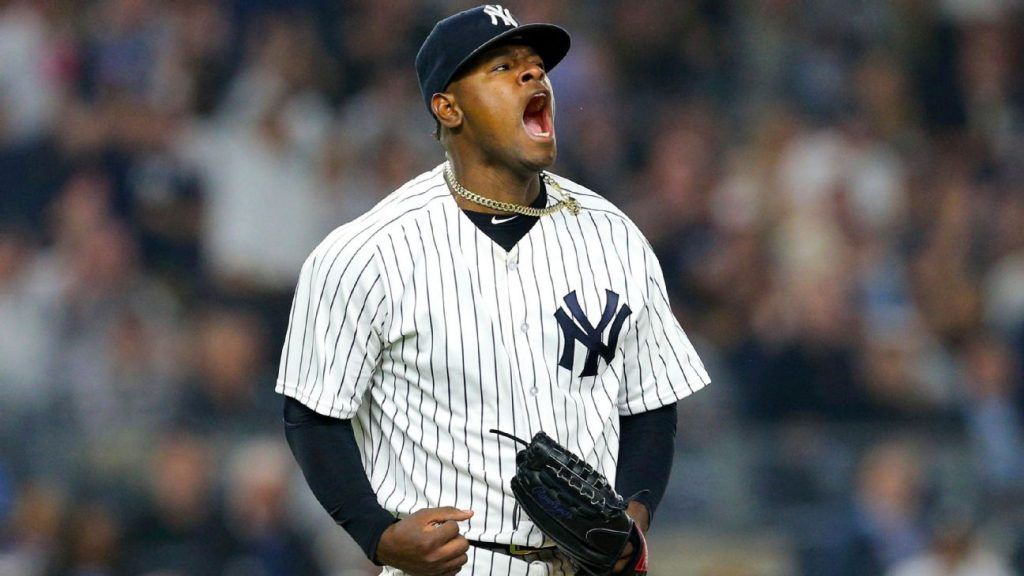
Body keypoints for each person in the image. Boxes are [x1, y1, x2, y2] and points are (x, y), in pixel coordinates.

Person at [277, 5, 710, 575]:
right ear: (447, 107)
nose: (534, 76)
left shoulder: (614, 235)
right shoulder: (367, 253)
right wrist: (376, 534)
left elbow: (650, 402)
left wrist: (630, 525)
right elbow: (312, 413)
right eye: (503, 67)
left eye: (536, 66)